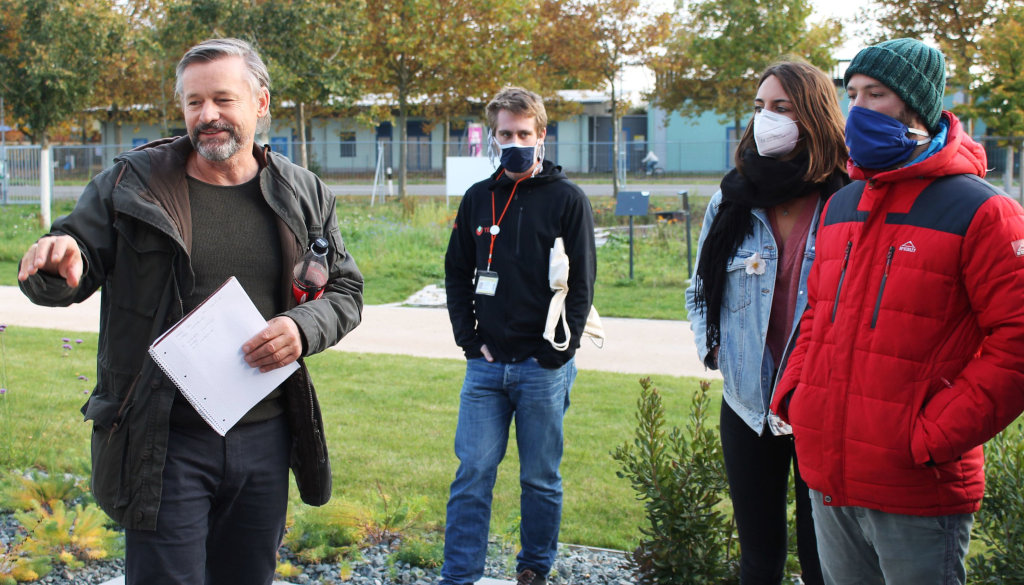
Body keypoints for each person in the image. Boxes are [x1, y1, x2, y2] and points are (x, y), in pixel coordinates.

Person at [17, 38, 363, 585]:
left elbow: (344, 290)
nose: (208, 116)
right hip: (164, 442)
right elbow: (70, 262)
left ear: (261, 103)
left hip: (265, 437)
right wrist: (56, 260)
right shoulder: (133, 186)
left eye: (223, 100)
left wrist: (302, 327)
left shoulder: (303, 193)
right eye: (193, 103)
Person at [769, 38, 1024, 585]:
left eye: (876, 95)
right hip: (831, 471)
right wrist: (798, 396)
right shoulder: (843, 205)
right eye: (853, 94)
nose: (857, 109)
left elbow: (1017, 341)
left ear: (917, 109)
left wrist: (930, 435)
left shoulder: (982, 210)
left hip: (917, 484)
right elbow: (817, 313)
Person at [685, 60, 848, 585]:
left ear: (815, 118)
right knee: (758, 558)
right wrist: (714, 349)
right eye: (758, 107)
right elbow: (699, 289)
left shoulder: (846, 202)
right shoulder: (730, 201)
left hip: (822, 404)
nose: (765, 119)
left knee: (823, 555)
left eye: (782, 108)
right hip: (748, 402)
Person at [441, 86, 596, 585]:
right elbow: (456, 270)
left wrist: (559, 353)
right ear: (493, 136)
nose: (514, 142)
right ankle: (459, 575)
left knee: (540, 480)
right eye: (505, 134)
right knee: (472, 476)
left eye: (523, 134)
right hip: (486, 367)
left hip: (542, 368)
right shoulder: (478, 199)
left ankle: (534, 569)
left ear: (541, 135)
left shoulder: (567, 199)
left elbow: (583, 285)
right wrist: (469, 340)